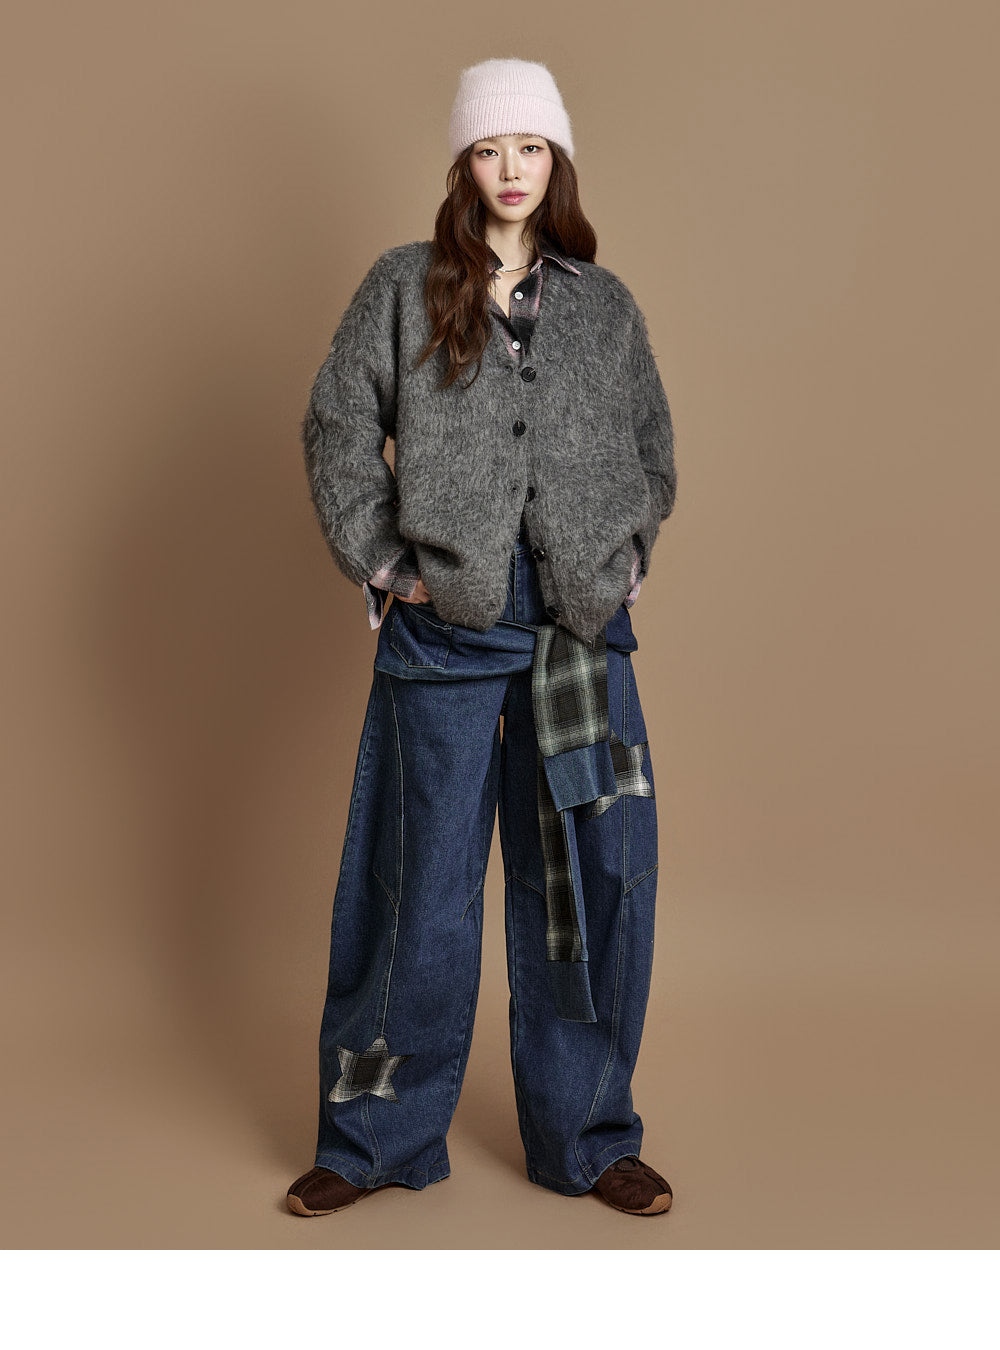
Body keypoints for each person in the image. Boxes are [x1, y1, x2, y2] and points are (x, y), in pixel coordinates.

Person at [287, 58, 678, 1218]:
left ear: (557, 164)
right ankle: (370, 1139)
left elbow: (652, 451)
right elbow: (335, 425)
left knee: (592, 893)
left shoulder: (603, 306)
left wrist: (620, 562)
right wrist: (383, 562)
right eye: (491, 149)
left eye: (532, 148)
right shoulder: (403, 287)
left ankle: (589, 1137)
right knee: (413, 893)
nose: (512, 169)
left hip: (577, 637)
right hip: (444, 637)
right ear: (464, 164)